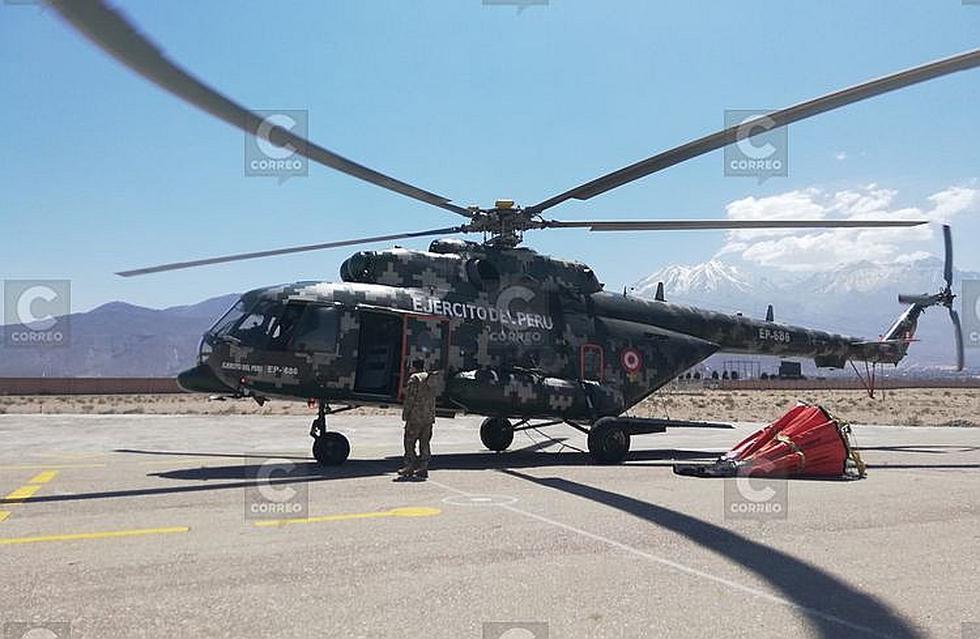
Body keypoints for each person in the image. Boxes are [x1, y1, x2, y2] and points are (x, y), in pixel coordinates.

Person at [397, 359, 437, 481]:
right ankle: (423, 467)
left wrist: (406, 414)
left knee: (409, 441)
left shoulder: (414, 379)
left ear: (414, 367)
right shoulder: (429, 378)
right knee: (425, 442)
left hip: (416, 416)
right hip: (428, 417)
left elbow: (410, 399)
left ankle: (410, 465)